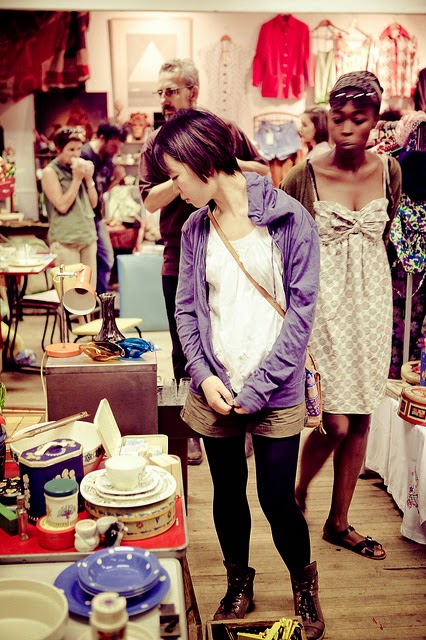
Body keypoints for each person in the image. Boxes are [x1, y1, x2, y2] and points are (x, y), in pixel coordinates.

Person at [152, 108, 324, 640]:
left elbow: (301, 313)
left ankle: (304, 584)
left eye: (177, 174)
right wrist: (204, 377)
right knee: (227, 493)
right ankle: (238, 583)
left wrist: (259, 387)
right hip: (216, 386)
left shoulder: (290, 219)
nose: (175, 188)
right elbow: (185, 310)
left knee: (276, 497)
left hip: (276, 387)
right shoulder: (195, 228)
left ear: (203, 162)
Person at [280, 71, 402, 560]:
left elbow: (385, 239)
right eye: (338, 117)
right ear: (326, 117)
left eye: (359, 118)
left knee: (362, 417)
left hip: (372, 305)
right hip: (322, 308)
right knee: (334, 422)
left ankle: (339, 522)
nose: (347, 128)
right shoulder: (303, 176)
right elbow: (281, 247)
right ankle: (299, 487)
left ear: (376, 120)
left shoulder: (390, 171)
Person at [139, 58, 269, 464]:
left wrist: (214, 162)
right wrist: (182, 176)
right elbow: (149, 201)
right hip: (178, 256)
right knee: (185, 344)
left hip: (231, 248)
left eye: (171, 90)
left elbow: (263, 171)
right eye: (160, 91)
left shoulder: (222, 129)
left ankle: (243, 418)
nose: (164, 99)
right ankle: (194, 427)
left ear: (192, 91)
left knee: (236, 336)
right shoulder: (155, 142)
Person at [41, 126, 97, 284]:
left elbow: (93, 204)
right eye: (71, 149)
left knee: (89, 290)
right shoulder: (50, 172)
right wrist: (77, 180)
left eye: (79, 149)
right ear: (59, 149)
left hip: (87, 237)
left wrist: (89, 180)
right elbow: (62, 205)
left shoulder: (80, 170)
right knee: (70, 293)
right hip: (65, 240)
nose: (76, 154)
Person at [80, 122, 127, 294]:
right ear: (102, 138)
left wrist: (116, 179)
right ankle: (91, 300)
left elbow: (102, 189)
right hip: (83, 218)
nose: (116, 151)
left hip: (96, 217)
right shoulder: (84, 156)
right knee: (88, 264)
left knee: (106, 259)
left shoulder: (107, 159)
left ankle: (99, 299)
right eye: (114, 146)